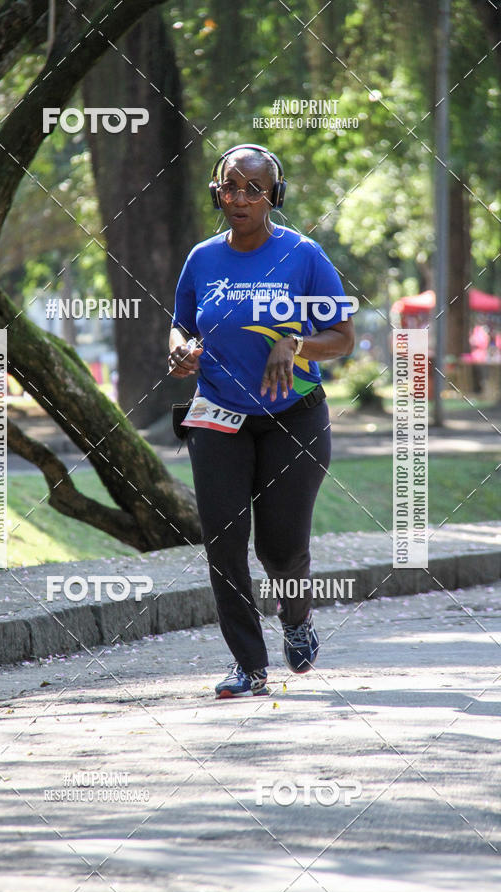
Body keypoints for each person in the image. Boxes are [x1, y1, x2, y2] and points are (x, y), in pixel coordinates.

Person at [168, 144, 355, 699]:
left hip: (293, 419)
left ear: (275, 195)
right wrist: (181, 351)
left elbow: (342, 339)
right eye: (230, 186)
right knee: (224, 543)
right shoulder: (202, 258)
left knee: (281, 547)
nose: (240, 197)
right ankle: (248, 665)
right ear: (216, 192)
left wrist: (296, 344)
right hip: (218, 415)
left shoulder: (303, 255)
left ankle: (296, 619)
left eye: (254, 188)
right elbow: (180, 326)